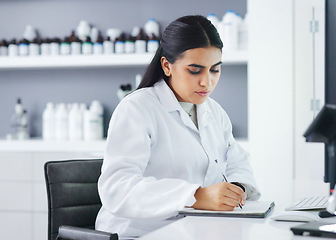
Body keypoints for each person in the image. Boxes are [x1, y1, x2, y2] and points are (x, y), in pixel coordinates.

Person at [95, 15, 260, 239]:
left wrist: (237, 187)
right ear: (167, 65)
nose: (207, 82)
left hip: (193, 230)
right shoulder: (137, 109)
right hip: (137, 233)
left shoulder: (214, 112)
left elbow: (237, 162)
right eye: (195, 70)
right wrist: (196, 196)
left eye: (215, 70)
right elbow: (118, 188)